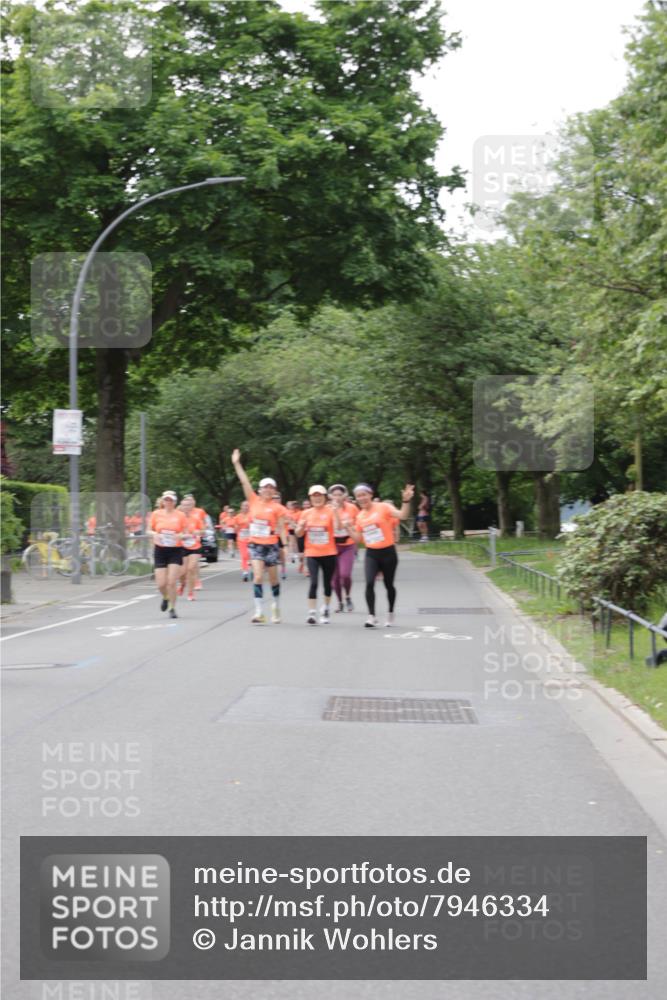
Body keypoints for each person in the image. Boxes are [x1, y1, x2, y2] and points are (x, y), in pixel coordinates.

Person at [343, 483, 414, 627]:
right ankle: (371, 616)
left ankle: (390, 613)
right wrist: (348, 528)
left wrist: (406, 501)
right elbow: (358, 539)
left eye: (364, 495)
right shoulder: (360, 516)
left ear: (370, 494)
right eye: (358, 496)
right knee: (369, 583)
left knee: (389, 585)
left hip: (388, 552)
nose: (361, 498)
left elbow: (403, 515)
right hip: (372, 553)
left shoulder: (383, 507)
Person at [231, 449, 286, 624]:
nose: (268, 490)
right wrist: (236, 463)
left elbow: (286, 522)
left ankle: (276, 607)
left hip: (271, 545)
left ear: (274, 491)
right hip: (255, 544)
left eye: (271, 488)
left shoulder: (278, 507)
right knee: (257, 576)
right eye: (265, 487)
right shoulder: (253, 500)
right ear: (260, 490)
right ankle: (259, 612)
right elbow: (244, 481)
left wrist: (287, 534)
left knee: (273, 579)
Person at [295, 486, 342, 624]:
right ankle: (312, 613)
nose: (317, 498)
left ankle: (326, 608)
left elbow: (338, 528)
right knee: (314, 582)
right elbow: (299, 534)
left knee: (328, 584)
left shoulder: (330, 511)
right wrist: (300, 527)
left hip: (329, 553)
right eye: (314, 496)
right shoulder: (305, 513)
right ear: (310, 498)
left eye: (320, 495)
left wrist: (336, 512)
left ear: (325, 497)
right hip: (312, 553)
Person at [148, 490, 187, 618]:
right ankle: (165, 597)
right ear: (163, 501)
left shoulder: (180, 515)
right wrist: (156, 534)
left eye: (170, 500)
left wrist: (179, 536)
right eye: (166, 500)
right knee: (161, 584)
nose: (168, 502)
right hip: (160, 549)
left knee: (171, 582)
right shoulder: (156, 514)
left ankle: (172, 607)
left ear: (175, 502)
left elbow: (186, 533)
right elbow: (148, 530)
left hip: (175, 550)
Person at [328, 484, 358, 613]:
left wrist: (351, 527)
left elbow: (359, 523)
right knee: (334, 578)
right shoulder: (327, 509)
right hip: (331, 546)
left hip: (348, 545)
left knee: (345, 574)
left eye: (340, 495)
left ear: (344, 496)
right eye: (335, 495)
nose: (337, 497)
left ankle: (348, 597)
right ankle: (339, 602)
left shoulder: (352, 508)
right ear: (330, 496)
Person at [179, 495, 204, 600]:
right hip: (182, 546)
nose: (186, 507)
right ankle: (183, 584)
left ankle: (190, 593)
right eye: (184, 505)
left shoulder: (196, 518)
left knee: (191, 568)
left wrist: (198, 532)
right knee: (182, 572)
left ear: (191, 506)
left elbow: (203, 530)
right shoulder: (177, 518)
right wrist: (181, 535)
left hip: (195, 546)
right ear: (181, 506)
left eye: (188, 505)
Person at [185, 493, 208, 590]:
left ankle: (197, 581)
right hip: (184, 540)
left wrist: (199, 531)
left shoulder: (200, 511)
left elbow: (205, 523)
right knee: (187, 564)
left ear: (194, 501)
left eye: (191, 500)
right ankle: (188, 580)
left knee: (195, 563)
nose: (189, 502)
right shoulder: (181, 512)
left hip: (196, 538)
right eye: (187, 500)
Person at [234, 500, 252, 582]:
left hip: (252, 538)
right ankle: (245, 572)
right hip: (241, 539)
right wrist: (238, 527)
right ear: (241, 507)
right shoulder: (237, 517)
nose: (245, 507)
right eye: (244, 506)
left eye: (247, 505)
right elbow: (235, 528)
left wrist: (250, 526)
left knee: (250, 554)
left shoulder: (252, 515)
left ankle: (253, 569)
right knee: (244, 556)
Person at [296, 498, 311, 576]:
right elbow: (295, 523)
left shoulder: (313, 512)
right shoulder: (300, 513)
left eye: (308, 504)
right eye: (305, 504)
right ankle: (302, 563)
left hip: (309, 535)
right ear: (302, 505)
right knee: (301, 554)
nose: (306, 505)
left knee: (307, 552)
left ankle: (306, 569)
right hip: (301, 534)